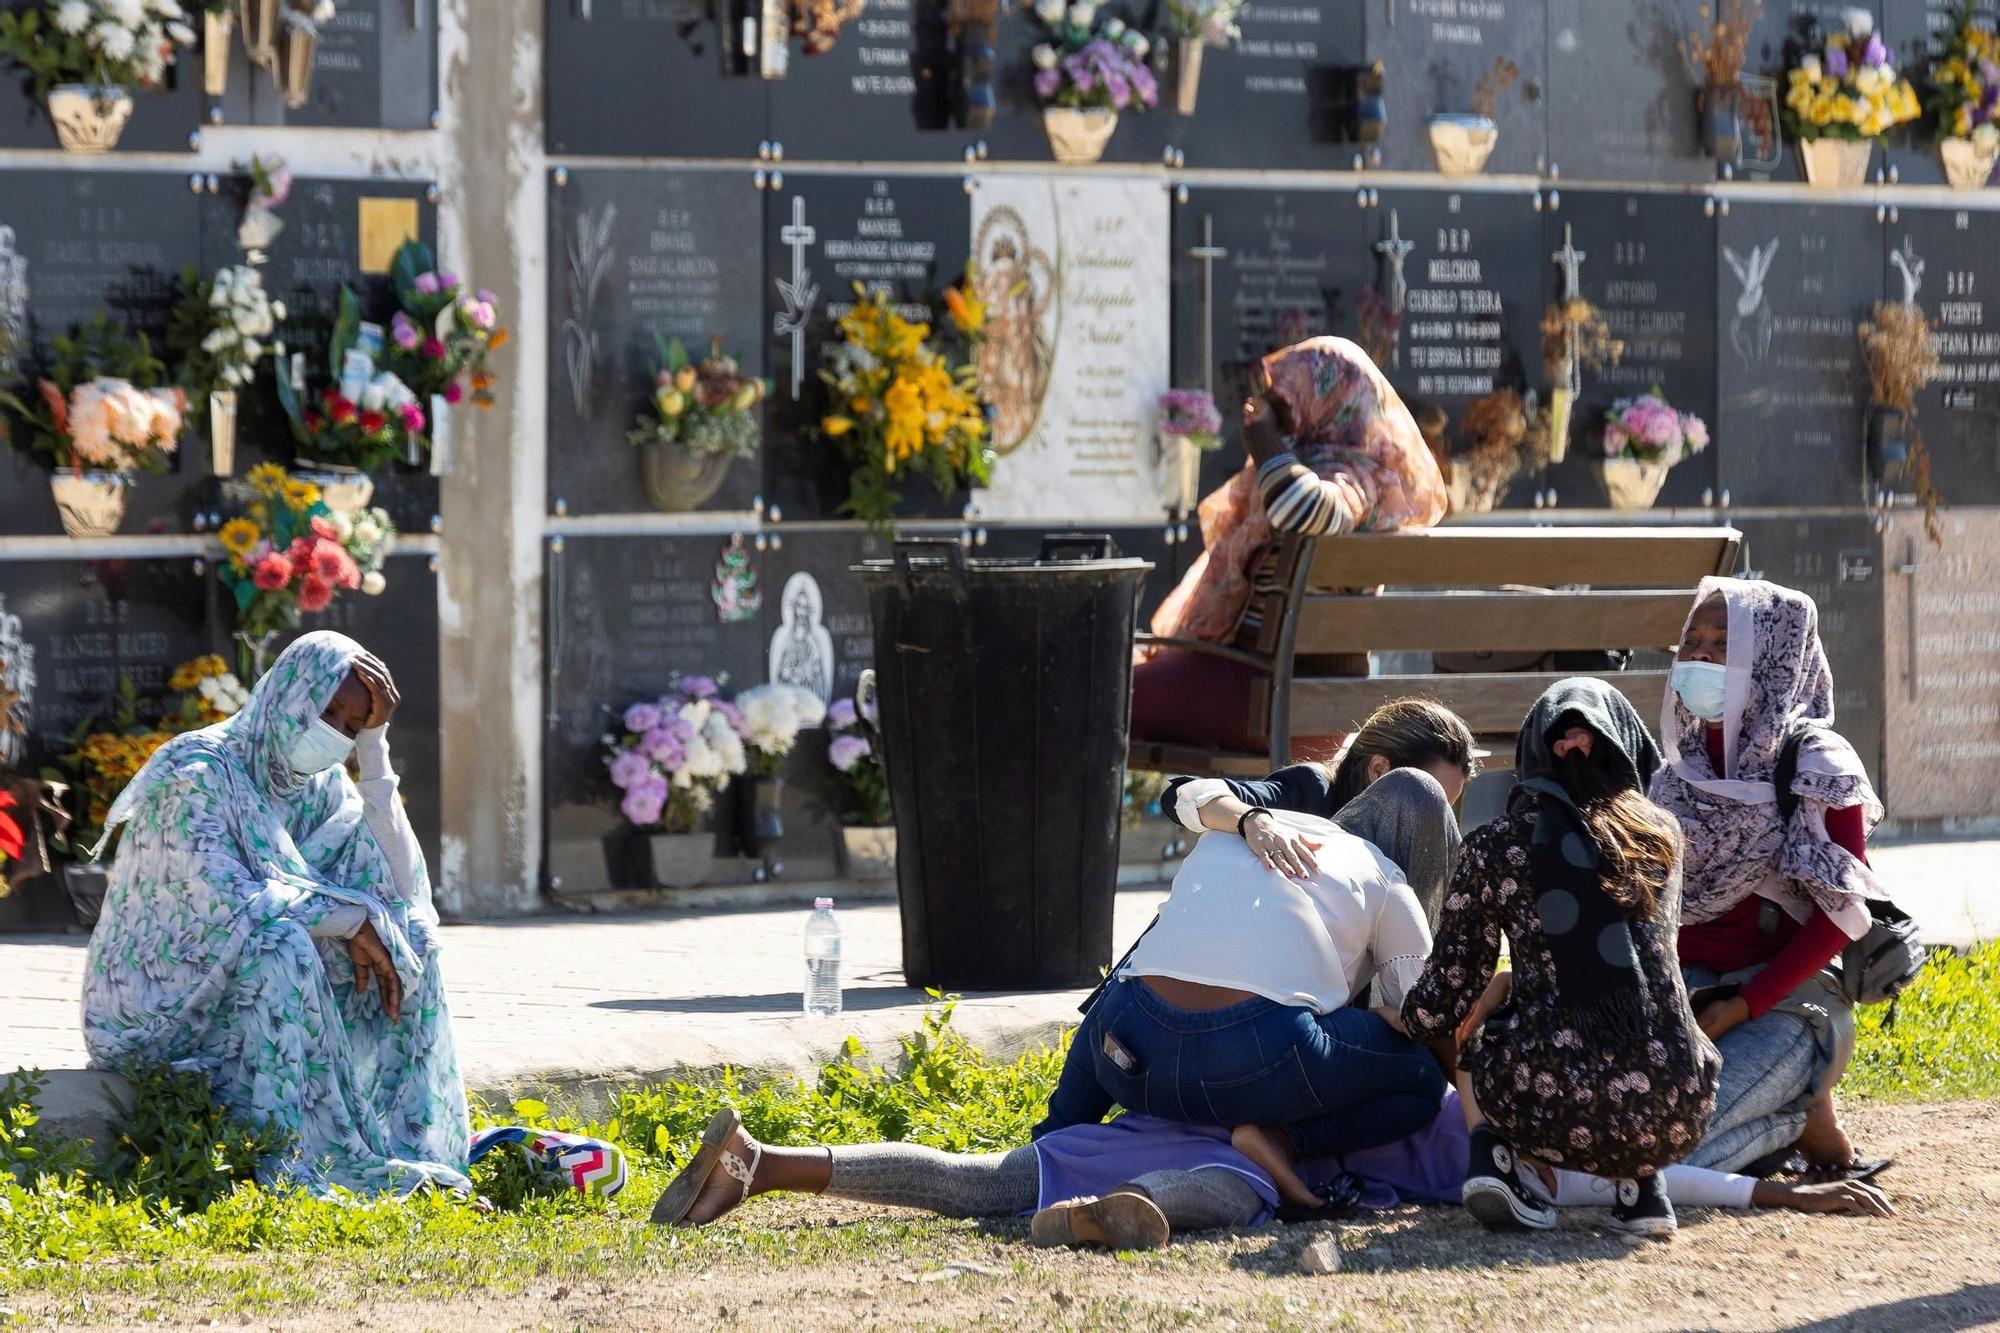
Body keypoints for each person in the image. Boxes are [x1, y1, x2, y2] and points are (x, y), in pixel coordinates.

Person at [80, 631, 470, 1197]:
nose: (331, 730)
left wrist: (375, 750)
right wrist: (349, 920)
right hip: (160, 1008)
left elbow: (402, 884)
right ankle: (294, 1161)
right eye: (325, 709)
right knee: (282, 944)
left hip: (249, 987)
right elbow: (228, 898)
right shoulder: (198, 772)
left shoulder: (320, 787)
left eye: (349, 723)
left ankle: (407, 1144)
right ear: (287, 690)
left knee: (408, 942)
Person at [650, 1091, 1892, 1245]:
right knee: (1232, 1197)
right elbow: (1266, 1138)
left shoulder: (1483, 1109)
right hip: (1237, 1150)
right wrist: (1296, 1187)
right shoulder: (1468, 1116)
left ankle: (770, 1162)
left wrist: (1778, 1188)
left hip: (1177, 1125)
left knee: (983, 1175)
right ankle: (1103, 1216)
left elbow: (1657, 1185)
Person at [1400, 678, 1720, 1238]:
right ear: (1626, 747)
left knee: (1480, 1038)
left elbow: (1449, 993)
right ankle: (1644, 1191)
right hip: (1678, 1101)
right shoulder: (1662, 836)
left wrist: (1398, 1020)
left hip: (1545, 1101)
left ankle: (1495, 1164)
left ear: (1531, 756)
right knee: (1634, 1023)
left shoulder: (1496, 846)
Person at [1030, 768, 1457, 1164]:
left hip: (1130, 1061)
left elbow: (1186, 791)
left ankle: (1053, 1137)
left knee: (1123, 996)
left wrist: (1252, 819)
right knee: (1419, 1075)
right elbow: (1424, 1016)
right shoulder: (1384, 873)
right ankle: (1284, 1144)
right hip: (1253, 1066)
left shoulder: (1242, 827)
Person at [1651, 578, 1890, 1181]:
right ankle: (1797, 1117)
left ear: (1773, 659)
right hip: (1685, 998)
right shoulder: (1679, 766)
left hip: (1783, 1000)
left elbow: (1843, 913)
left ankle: (1794, 1117)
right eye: (1692, 642)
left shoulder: (1816, 766)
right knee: (1621, 1123)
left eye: (1721, 645)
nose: (1699, 657)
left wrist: (1744, 1005)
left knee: (1669, 1156)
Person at [1131, 337, 1447, 757]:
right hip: (1311, 709)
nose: (1275, 410)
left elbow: (1301, 508)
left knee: (1099, 692)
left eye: (1286, 399)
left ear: (1327, 401)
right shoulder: (1371, 478)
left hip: (1265, 702)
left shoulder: (1354, 478)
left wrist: (1262, 436)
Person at [1161, 698, 1478, 921]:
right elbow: (1182, 794)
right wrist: (1252, 821)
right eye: (1424, 806)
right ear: (1380, 770)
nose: (1430, 826)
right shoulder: (1314, 790)